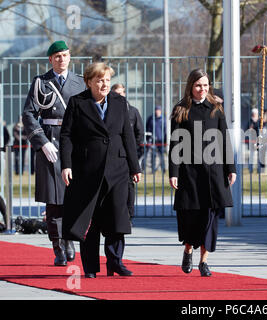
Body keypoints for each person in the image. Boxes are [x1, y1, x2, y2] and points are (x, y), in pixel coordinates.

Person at [60, 62, 141, 278]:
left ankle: (115, 262)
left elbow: (127, 136)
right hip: (88, 170)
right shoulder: (78, 103)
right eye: (99, 80)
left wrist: (135, 166)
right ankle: (90, 267)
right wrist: (66, 165)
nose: (104, 84)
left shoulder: (119, 102)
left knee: (117, 217)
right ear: (89, 82)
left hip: (118, 168)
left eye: (107, 80)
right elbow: (66, 135)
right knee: (92, 219)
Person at [22, 40, 85, 266]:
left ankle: (70, 239)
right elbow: (28, 114)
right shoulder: (41, 82)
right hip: (50, 143)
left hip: (74, 146)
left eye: (65, 55)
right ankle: (58, 246)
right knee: (54, 201)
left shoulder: (80, 83)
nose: (61, 59)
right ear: (50, 59)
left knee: (73, 198)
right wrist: (42, 142)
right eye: (57, 56)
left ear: (70, 57)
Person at [169, 68, 236, 277]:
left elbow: (225, 140)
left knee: (209, 218)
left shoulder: (215, 108)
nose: (202, 89)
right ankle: (188, 250)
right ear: (191, 86)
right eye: (198, 85)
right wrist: (173, 172)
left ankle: (204, 261)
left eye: (206, 85)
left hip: (212, 173)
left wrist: (230, 168)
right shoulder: (181, 109)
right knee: (191, 217)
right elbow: (174, 144)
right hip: (189, 173)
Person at [111, 83, 144, 220]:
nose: (119, 95)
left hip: (128, 154)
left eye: (121, 93)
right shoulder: (108, 110)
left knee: (129, 185)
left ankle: (129, 215)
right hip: (113, 155)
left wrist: (132, 150)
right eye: (116, 93)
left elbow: (139, 132)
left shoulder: (133, 111)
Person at [145, 106, 167, 173]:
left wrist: (165, 140)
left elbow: (165, 130)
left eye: (158, 110)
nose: (157, 112)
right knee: (153, 155)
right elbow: (147, 128)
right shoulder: (150, 119)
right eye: (156, 110)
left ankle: (163, 169)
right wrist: (147, 139)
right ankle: (153, 169)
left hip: (161, 140)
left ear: (160, 111)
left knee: (161, 155)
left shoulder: (163, 119)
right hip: (152, 140)